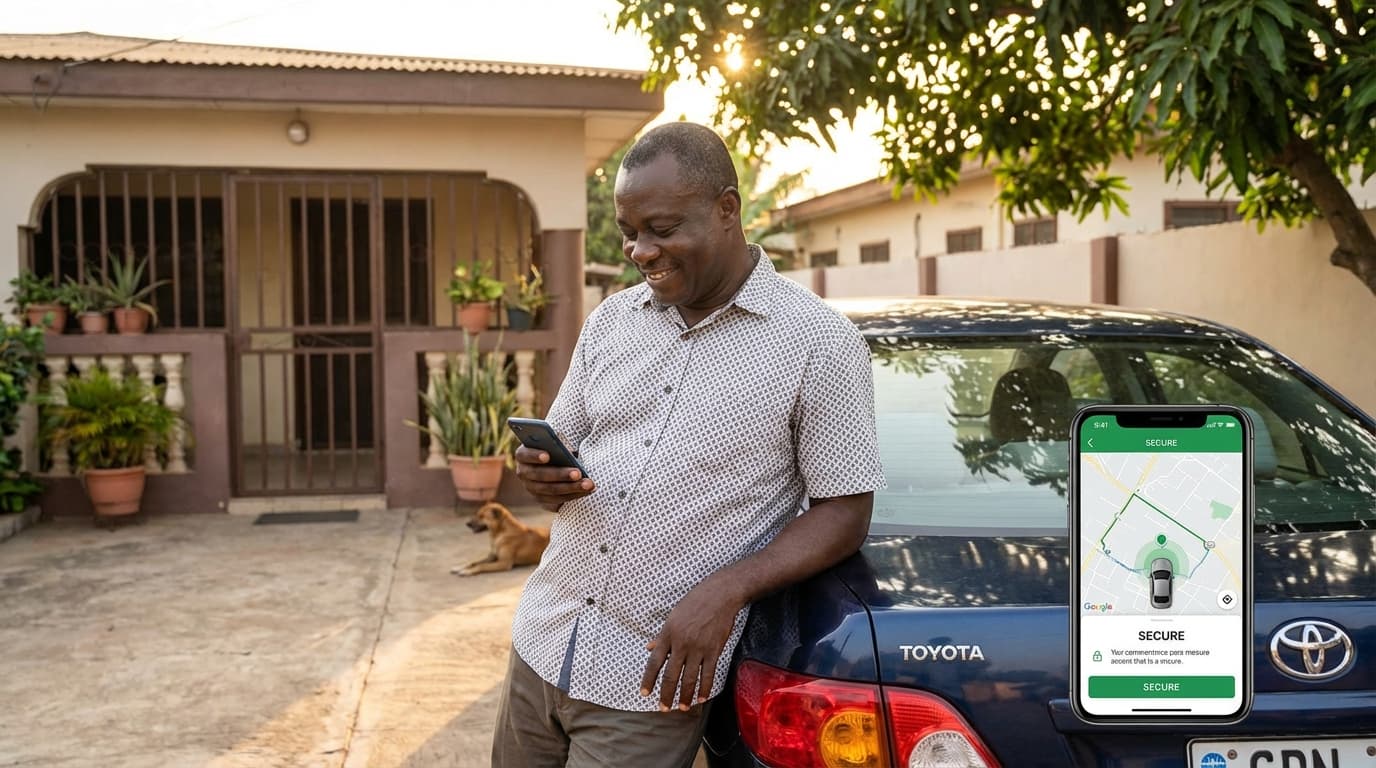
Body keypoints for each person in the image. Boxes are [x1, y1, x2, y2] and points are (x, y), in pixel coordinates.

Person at [492, 121, 885, 768]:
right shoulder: (612, 322)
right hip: (541, 640)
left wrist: (727, 590)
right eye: (628, 232)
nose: (640, 250)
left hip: (646, 678)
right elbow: (560, 441)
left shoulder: (818, 344)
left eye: (663, 229)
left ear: (727, 210)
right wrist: (538, 471)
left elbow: (845, 510)